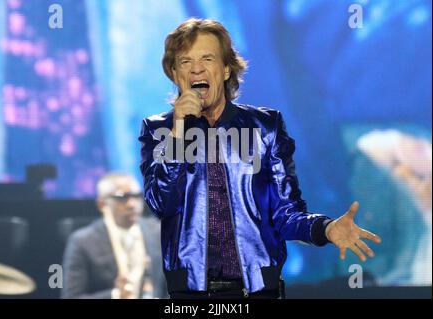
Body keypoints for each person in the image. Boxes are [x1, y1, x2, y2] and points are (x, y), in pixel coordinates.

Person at [139, 18, 381, 299]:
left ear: (227, 68)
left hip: (256, 289)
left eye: (207, 58)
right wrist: (178, 133)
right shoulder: (159, 130)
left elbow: (285, 213)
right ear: (173, 72)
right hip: (190, 292)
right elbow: (160, 203)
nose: (196, 68)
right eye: (185, 61)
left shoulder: (264, 127)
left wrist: (325, 229)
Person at [61, 173, 167, 299]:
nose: (132, 204)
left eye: (137, 196)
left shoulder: (159, 231)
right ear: (102, 204)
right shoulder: (83, 241)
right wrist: (115, 295)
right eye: (122, 197)